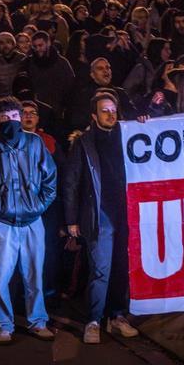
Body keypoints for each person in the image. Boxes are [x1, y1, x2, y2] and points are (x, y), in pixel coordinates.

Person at [0, 98, 57, 344]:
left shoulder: (35, 143)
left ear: (20, 118)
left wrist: (38, 205)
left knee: (34, 274)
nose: (10, 121)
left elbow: (50, 178)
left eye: (14, 116)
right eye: (4, 117)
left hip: (32, 220)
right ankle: (3, 325)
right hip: (3, 222)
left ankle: (38, 321)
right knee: (0, 275)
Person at [62, 94, 139, 344]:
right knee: (100, 269)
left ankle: (116, 316)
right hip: (99, 215)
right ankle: (93, 320)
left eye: (113, 110)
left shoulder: (127, 136)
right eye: (105, 111)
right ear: (94, 116)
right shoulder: (84, 143)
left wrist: (144, 123)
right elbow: (71, 183)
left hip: (125, 214)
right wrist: (72, 220)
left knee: (121, 268)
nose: (111, 114)